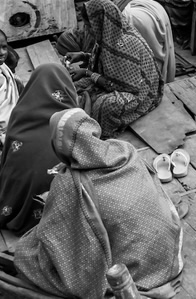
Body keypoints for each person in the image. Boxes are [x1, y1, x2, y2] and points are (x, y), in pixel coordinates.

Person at [13, 108, 184, 298]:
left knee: (28, 253)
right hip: (167, 252)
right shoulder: (124, 150)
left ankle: (140, 292)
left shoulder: (68, 182)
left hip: (133, 272)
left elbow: (55, 230)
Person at [0, 64, 78, 233]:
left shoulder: (19, 114)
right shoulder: (73, 121)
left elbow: (7, 158)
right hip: (59, 200)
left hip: (17, 194)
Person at [64, 0, 163, 138]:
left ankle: (102, 136)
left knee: (105, 105)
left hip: (139, 91)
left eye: (90, 26)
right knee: (74, 86)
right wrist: (84, 56)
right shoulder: (109, 33)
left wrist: (87, 72)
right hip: (117, 82)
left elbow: (121, 85)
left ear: (100, 22)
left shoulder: (125, 43)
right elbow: (107, 61)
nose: (88, 30)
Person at [111, 0, 177, 83]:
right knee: (163, 50)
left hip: (137, 17)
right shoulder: (125, 1)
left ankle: (152, 85)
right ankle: (162, 80)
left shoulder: (120, 14)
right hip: (156, 7)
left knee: (145, 57)